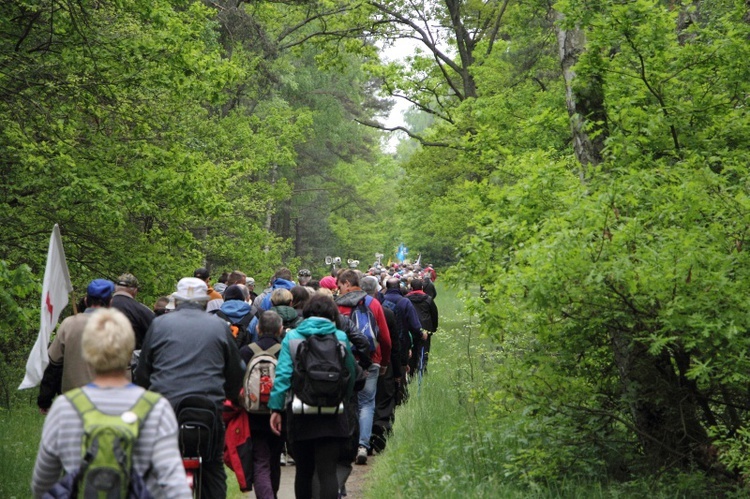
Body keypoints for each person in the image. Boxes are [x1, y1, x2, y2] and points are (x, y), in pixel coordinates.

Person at [32, 308, 191, 498]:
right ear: (130, 348)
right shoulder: (156, 408)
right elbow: (174, 484)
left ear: (88, 351)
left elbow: (42, 483)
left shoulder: (64, 407)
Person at [134, 277, 244, 499]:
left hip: (165, 414)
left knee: (156, 470)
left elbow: (143, 372)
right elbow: (236, 372)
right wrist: (233, 396)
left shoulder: (159, 325)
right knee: (213, 468)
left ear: (177, 301)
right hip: (208, 414)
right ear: (205, 302)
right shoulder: (219, 327)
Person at [268, 294, 358, 499]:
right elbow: (350, 374)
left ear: (306, 314)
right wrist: (344, 397)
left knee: (304, 471)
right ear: (332, 314)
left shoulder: (291, 338)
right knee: (327, 471)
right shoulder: (340, 337)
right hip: (333, 412)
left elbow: (282, 376)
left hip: (300, 412)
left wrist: (276, 408)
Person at [335, 269, 391, 465]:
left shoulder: (337, 306)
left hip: (344, 360)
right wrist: (383, 361)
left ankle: (345, 442)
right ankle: (362, 445)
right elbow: (384, 338)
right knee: (367, 403)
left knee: (346, 401)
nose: (338, 289)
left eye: (340, 285)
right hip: (370, 358)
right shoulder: (373, 303)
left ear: (348, 283)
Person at [37, 279, 115, 414]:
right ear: (110, 302)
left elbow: (53, 366)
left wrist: (45, 399)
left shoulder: (69, 325)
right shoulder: (119, 328)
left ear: (86, 300)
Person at [239, 311, 285, 499]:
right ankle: (271, 494)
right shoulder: (284, 351)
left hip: (252, 414)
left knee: (260, 460)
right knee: (274, 459)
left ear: (258, 329)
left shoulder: (245, 351)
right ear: (280, 329)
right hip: (279, 414)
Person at [111, 273, 155, 349]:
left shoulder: (101, 306)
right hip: (130, 357)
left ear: (115, 287)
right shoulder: (142, 310)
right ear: (135, 290)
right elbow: (155, 334)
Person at [406, 278, 439, 375]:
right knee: (424, 350)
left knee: (412, 350)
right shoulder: (428, 299)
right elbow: (434, 315)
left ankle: (411, 371)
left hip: (410, 329)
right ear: (422, 287)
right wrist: (433, 329)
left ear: (411, 288)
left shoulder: (406, 299)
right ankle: (422, 370)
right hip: (425, 328)